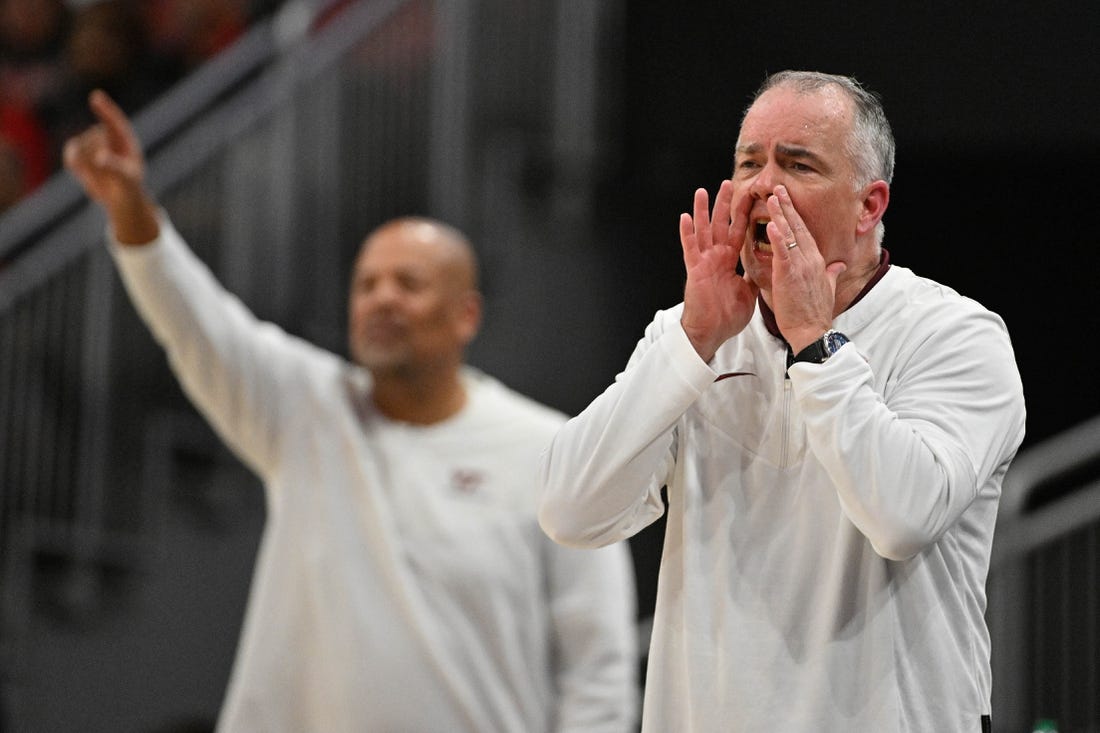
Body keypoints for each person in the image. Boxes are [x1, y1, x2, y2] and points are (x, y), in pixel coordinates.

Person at [63, 89, 638, 733]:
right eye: (366, 284)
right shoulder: (305, 410)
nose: (381, 299)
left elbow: (599, 667)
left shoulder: (551, 450)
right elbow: (198, 325)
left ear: (466, 315)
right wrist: (131, 209)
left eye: (408, 284)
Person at [537, 70, 1026, 732]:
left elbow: (903, 516)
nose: (763, 186)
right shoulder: (692, 336)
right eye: (749, 163)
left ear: (868, 205)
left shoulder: (955, 336)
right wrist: (693, 340)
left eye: (797, 164)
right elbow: (569, 508)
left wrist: (814, 344)